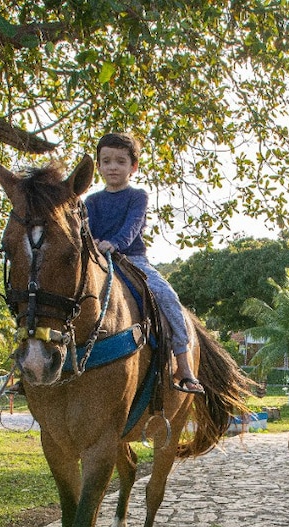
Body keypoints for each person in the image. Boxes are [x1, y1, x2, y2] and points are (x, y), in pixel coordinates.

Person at [84, 132, 203, 394]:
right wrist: (94, 245)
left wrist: (113, 243)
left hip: (132, 260)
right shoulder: (91, 201)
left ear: (133, 167)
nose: (113, 167)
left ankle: (184, 365)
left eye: (120, 161)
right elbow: (86, 231)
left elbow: (131, 228)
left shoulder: (137, 197)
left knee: (168, 298)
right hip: (98, 260)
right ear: (99, 166)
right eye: (106, 161)